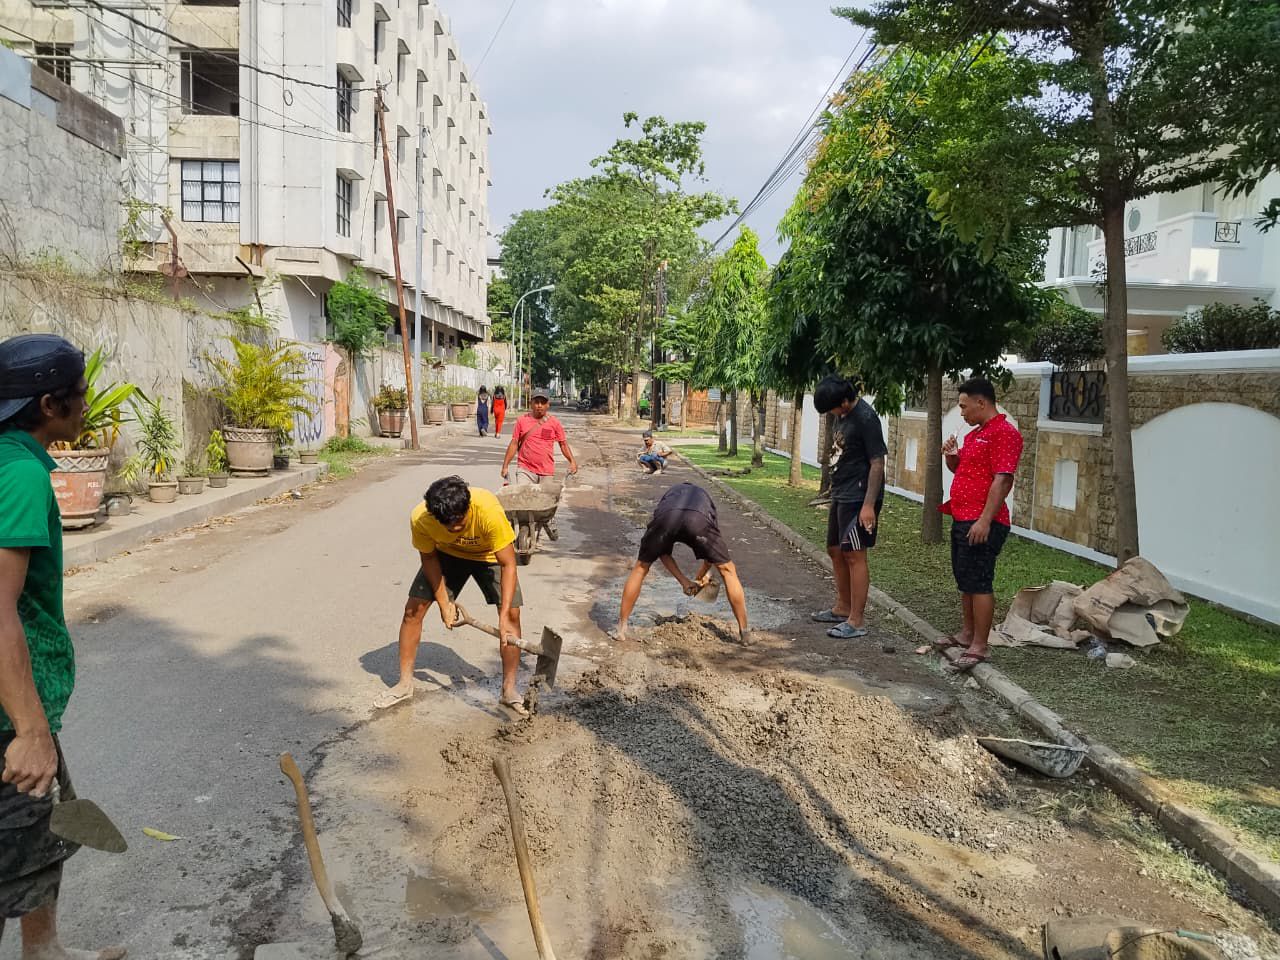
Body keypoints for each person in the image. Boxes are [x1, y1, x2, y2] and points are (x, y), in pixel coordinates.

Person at [0, 334, 126, 960]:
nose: (86, 405)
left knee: (41, 834)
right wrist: (27, 729)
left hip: (21, 702)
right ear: (50, 405)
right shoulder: (20, 475)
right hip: (8, 713)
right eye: (79, 396)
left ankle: (43, 950)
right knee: (9, 854)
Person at [375, 475, 530, 715]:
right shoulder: (421, 518)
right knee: (412, 610)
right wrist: (443, 602)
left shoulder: (487, 509)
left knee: (511, 615)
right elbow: (428, 557)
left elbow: (508, 564)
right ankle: (405, 684)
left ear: (468, 507)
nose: (456, 528)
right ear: (435, 516)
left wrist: (503, 615)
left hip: (489, 556)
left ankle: (509, 690)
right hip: (446, 555)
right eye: (450, 525)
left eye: (461, 522)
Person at [938, 377, 1024, 673]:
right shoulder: (975, 435)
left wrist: (985, 520)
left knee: (979, 581)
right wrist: (952, 456)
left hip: (983, 522)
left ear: (981, 402)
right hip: (962, 517)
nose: (961, 413)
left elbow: (1002, 480)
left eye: (964, 406)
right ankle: (966, 633)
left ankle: (980, 645)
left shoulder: (1005, 434)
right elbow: (961, 469)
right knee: (965, 579)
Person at [616, 483, 751, 645]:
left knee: (641, 568)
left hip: (666, 519)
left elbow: (662, 552)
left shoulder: (668, 498)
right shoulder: (705, 498)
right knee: (728, 569)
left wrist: (687, 581)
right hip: (698, 520)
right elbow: (711, 557)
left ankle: (622, 629)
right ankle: (745, 632)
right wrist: (702, 576)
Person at [809, 376, 886, 640]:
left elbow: (877, 463)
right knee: (835, 550)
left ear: (844, 401)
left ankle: (856, 620)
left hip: (860, 497)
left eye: (832, 408)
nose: (832, 414)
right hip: (842, 493)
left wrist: (868, 506)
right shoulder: (842, 415)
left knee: (855, 554)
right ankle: (842, 607)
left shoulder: (866, 418)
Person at [500, 387, 579, 485]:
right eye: (536, 402)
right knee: (525, 497)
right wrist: (505, 466)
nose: (539, 406)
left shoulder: (554, 423)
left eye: (543, 403)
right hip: (525, 470)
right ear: (531, 404)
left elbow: (563, 444)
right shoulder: (522, 421)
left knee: (544, 499)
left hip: (546, 472)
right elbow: (514, 443)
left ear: (548, 405)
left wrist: (572, 461)